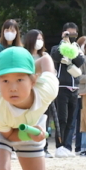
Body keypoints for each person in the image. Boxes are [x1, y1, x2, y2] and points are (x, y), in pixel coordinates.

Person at [50, 23, 85, 157]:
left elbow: (80, 61)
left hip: (74, 88)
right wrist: (64, 44)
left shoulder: (77, 48)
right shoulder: (56, 47)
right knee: (61, 118)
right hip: (61, 87)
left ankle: (67, 146)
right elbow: (56, 56)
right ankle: (59, 146)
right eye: (68, 34)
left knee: (71, 120)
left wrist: (71, 51)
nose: (71, 37)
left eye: (74, 35)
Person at [24, 29, 53, 158]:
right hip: (28, 90)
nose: (39, 41)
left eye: (41, 39)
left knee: (43, 119)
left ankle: (43, 146)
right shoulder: (24, 55)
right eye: (37, 39)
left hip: (42, 90)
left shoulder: (45, 56)